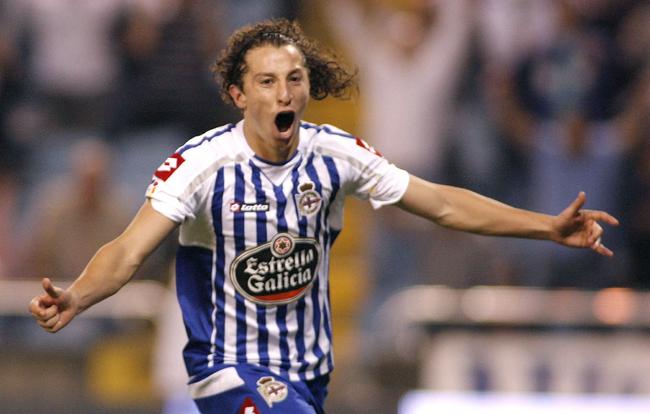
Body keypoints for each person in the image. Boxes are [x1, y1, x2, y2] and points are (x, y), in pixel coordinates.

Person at [28, 19, 619, 414]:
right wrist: (78, 295)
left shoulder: (336, 155)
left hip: (308, 374)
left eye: (294, 79)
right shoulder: (201, 165)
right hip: (227, 368)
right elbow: (127, 250)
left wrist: (545, 226)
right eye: (266, 82)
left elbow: (440, 203)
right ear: (238, 95)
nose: (284, 93)